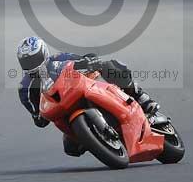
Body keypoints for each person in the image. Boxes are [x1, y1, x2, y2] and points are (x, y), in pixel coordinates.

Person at [16, 36, 159, 156]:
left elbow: (82, 60)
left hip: (79, 89)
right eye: (27, 62)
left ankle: (140, 96)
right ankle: (96, 139)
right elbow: (38, 119)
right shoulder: (25, 88)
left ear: (44, 53)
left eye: (35, 59)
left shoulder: (58, 58)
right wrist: (40, 116)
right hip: (63, 111)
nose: (32, 64)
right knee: (71, 149)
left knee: (108, 66)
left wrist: (90, 61)